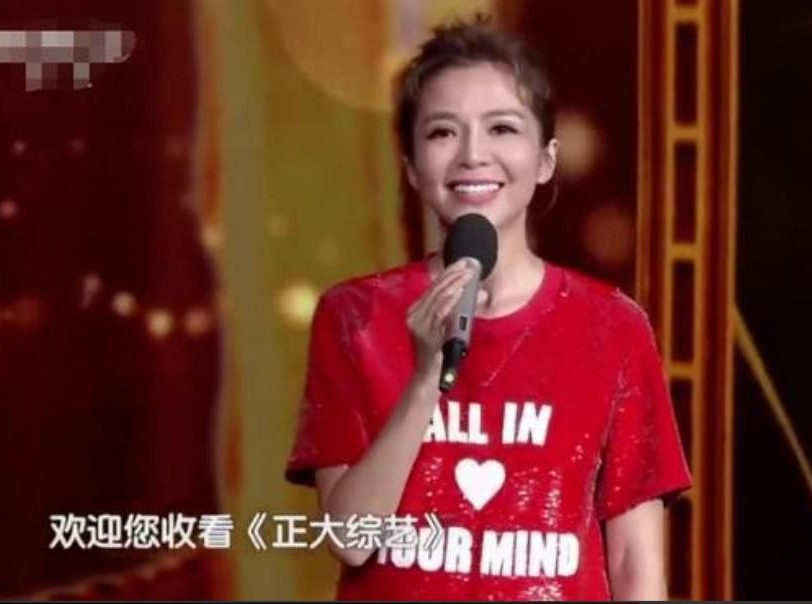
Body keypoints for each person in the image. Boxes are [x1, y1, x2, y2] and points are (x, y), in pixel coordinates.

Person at [284, 15, 691, 601]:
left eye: (502, 128)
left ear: (546, 159)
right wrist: (425, 379)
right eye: (442, 133)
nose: (473, 155)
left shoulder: (613, 327)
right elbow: (351, 539)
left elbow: (635, 562)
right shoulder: (355, 316)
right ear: (411, 168)